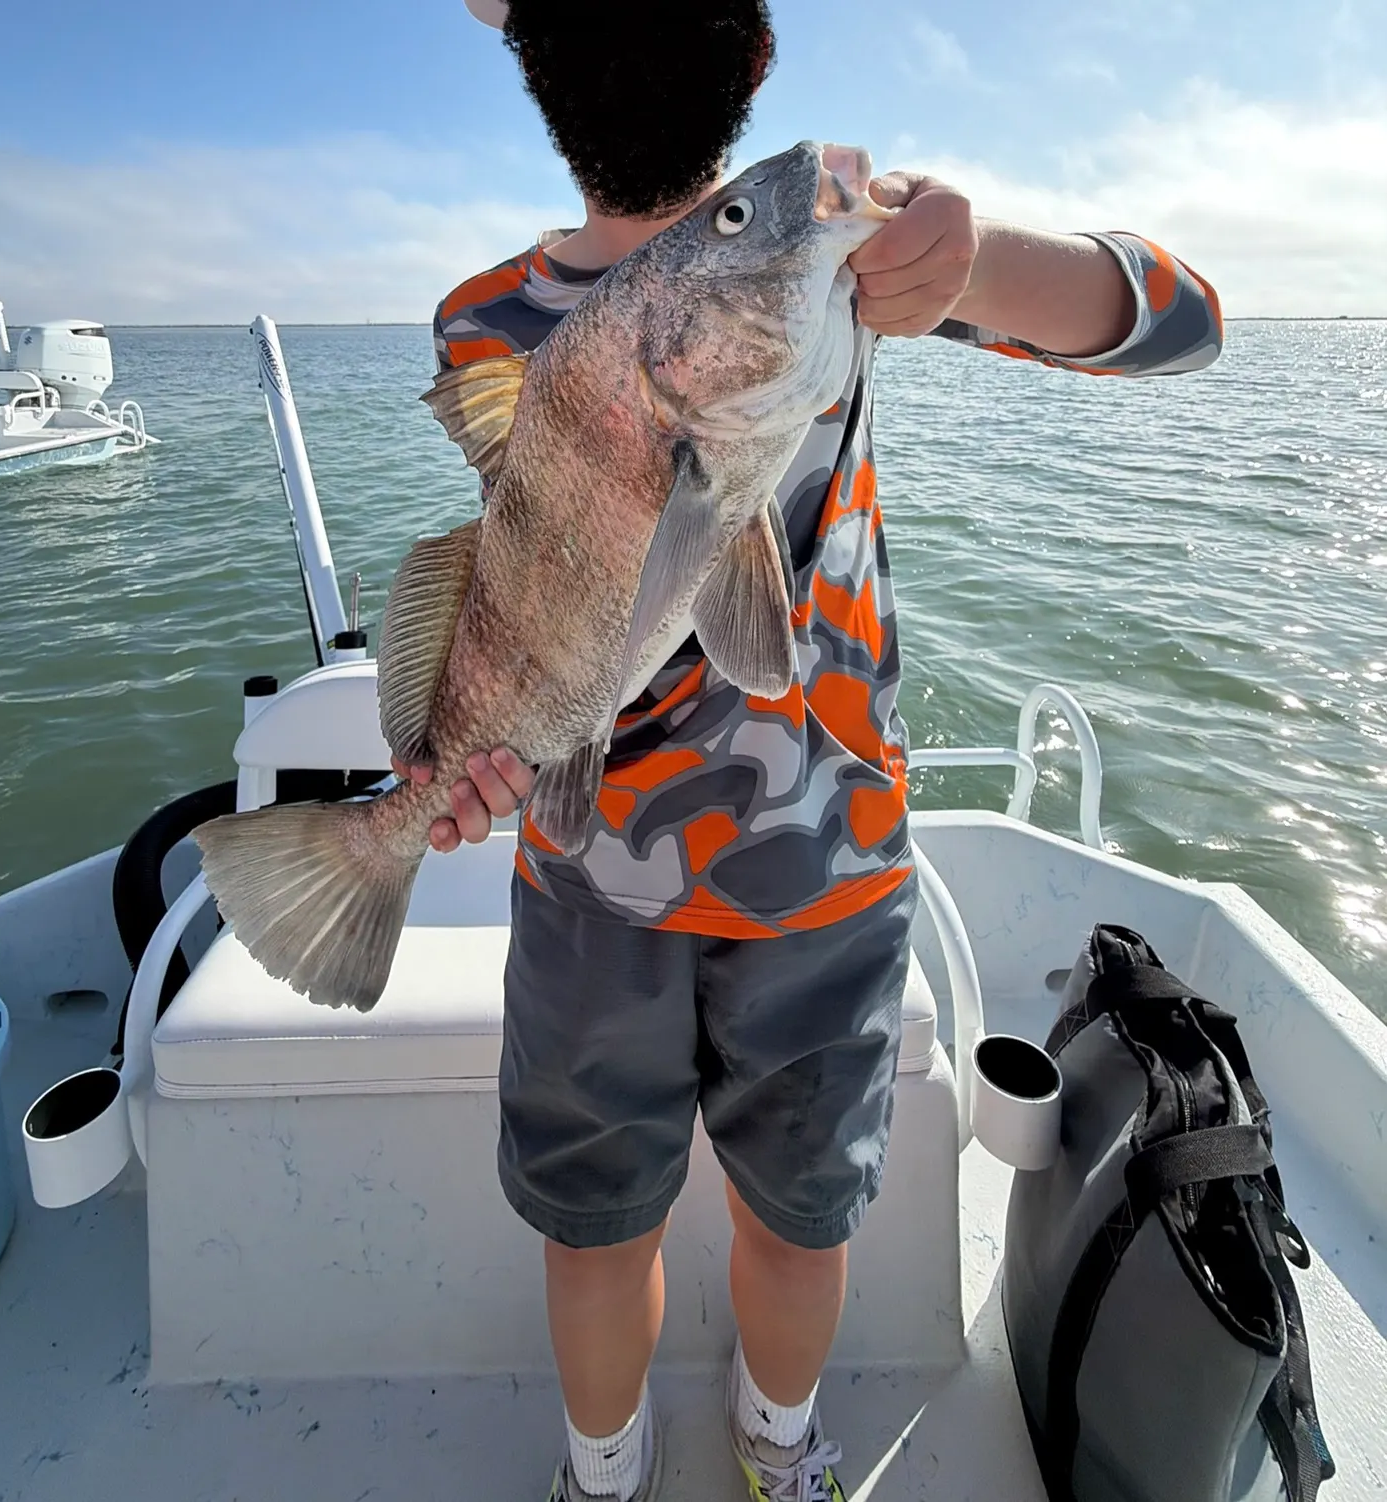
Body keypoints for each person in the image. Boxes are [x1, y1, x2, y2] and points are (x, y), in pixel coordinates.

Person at [401, 4, 1224, 1498]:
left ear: (523, 59)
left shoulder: (833, 260)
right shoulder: (513, 319)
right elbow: (520, 588)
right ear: (760, 62)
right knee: (659, 1228)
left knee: (749, 1225)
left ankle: (742, 1448)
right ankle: (629, 1468)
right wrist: (465, 751)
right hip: (648, 871)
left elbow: (1183, 321)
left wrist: (978, 264)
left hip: (774, 890)